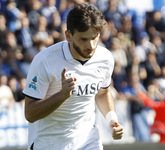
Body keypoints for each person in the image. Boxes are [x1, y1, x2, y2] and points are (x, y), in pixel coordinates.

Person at [22, 3, 123, 150]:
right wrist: (62, 95)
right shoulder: (45, 60)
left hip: (88, 141)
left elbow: (102, 93)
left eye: (94, 37)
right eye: (83, 39)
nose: (91, 45)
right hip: (49, 144)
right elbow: (30, 114)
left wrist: (112, 120)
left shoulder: (105, 58)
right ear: (68, 35)